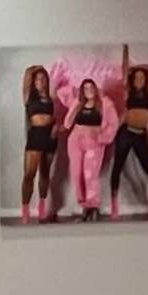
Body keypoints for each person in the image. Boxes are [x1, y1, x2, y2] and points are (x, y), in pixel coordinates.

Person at [106, 61, 148, 217]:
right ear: (132, 79)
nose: (139, 79)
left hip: (140, 134)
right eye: (136, 77)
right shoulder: (128, 92)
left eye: (142, 77)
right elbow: (125, 69)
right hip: (125, 133)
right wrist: (126, 50)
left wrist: (140, 68)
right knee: (117, 167)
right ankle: (114, 204)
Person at [17, 61, 64, 221]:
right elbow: (27, 73)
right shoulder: (28, 96)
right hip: (35, 135)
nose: (41, 82)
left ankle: (42, 208)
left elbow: (52, 118)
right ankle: (25, 210)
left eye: (43, 79)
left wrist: (56, 125)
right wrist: (40, 68)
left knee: (45, 173)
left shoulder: (50, 98)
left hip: (50, 137)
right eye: (38, 79)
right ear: (33, 81)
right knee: (29, 174)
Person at [62, 72, 113, 219]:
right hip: (75, 140)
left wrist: (103, 137)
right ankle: (84, 206)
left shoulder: (105, 103)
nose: (88, 90)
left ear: (96, 89)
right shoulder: (78, 103)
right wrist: (76, 103)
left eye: (91, 87)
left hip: (94, 141)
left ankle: (93, 205)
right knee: (76, 174)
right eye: (85, 88)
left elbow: (112, 123)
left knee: (90, 174)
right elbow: (67, 123)